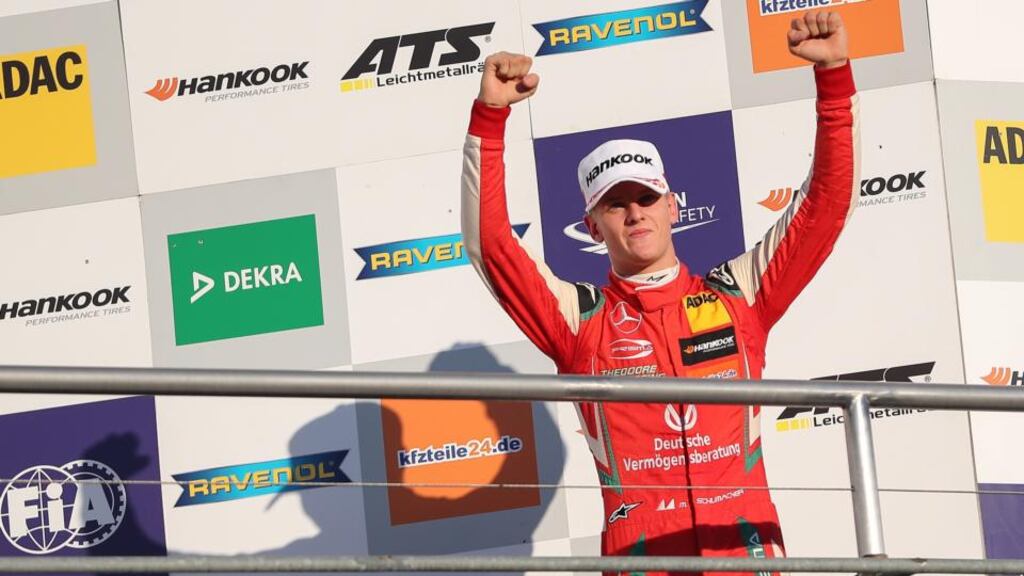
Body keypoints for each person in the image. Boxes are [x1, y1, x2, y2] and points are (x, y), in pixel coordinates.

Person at [461, 10, 858, 575]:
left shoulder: (739, 294)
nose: (635, 213)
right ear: (592, 226)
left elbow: (825, 207)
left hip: (744, 549)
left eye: (646, 198)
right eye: (615, 204)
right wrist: (490, 116)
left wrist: (834, 79)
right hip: (641, 558)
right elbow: (492, 244)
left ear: (673, 206)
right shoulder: (580, 321)